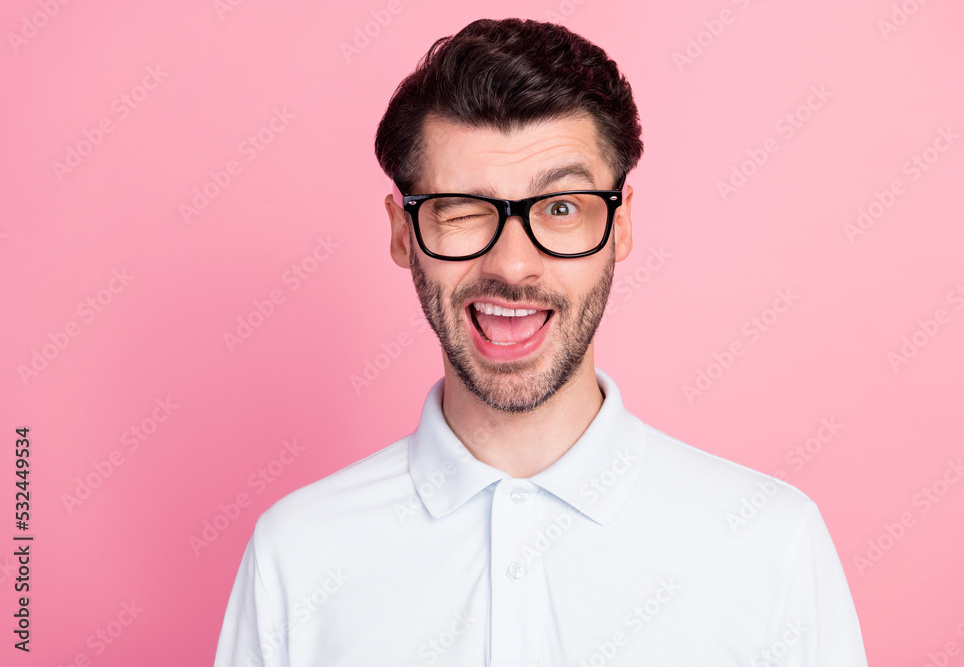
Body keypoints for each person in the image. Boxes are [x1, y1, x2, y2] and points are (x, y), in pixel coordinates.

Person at [214, 17, 868, 666]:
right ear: (402, 232)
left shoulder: (768, 544)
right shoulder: (298, 555)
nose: (514, 266)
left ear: (620, 225)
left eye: (560, 208)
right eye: (463, 209)